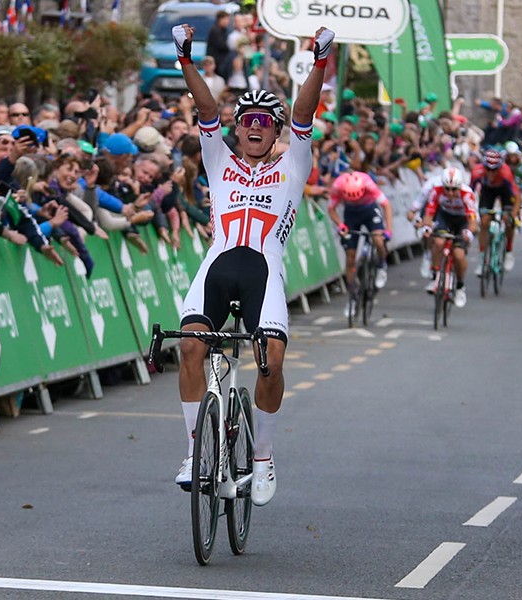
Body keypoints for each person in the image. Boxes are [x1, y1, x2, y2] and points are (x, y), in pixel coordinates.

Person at [171, 22, 334, 506]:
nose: (257, 127)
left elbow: (304, 111)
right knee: (189, 349)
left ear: (277, 130)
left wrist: (320, 60)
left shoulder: (293, 164)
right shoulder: (218, 160)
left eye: (267, 121)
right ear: (237, 129)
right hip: (217, 268)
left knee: (272, 364)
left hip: (265, 271)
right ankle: (193, 452)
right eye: (249, 121)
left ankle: (262, 455)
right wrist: (186, 61)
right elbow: (204, 108)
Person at [327, 170, 392, 317]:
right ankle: (352, 297)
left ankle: (382, 264)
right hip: (351, 215)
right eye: (351, 198)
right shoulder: (337, 186)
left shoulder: (368, 183)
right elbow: (331, 209)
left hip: (370, 210)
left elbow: (386, 206)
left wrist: (388, 230)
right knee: (350, 258)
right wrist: (340, 225)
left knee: (378, 239)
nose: (355, 199)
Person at [418, 167, 478, 307]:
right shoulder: (437, 189)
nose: (450, 193)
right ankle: (435, 276)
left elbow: (472, 220)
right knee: (438, 242)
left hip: (463, 220)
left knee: (458, 255)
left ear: (460, 186)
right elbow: (429, 213)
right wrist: (427, 227)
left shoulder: (467, 194)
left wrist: (469, 233)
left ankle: (460, 286)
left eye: (454, 189)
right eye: (447, 189)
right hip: (445, 217)